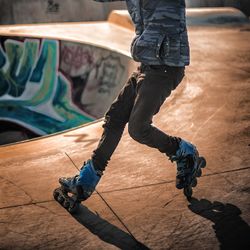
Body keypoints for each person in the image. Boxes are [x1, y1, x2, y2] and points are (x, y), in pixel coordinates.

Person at [59, 0, 203, 201]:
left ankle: (183, 150)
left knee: (138, 128)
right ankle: (88, 178)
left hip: (166, 67)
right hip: (146, 65)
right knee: (115, 118)